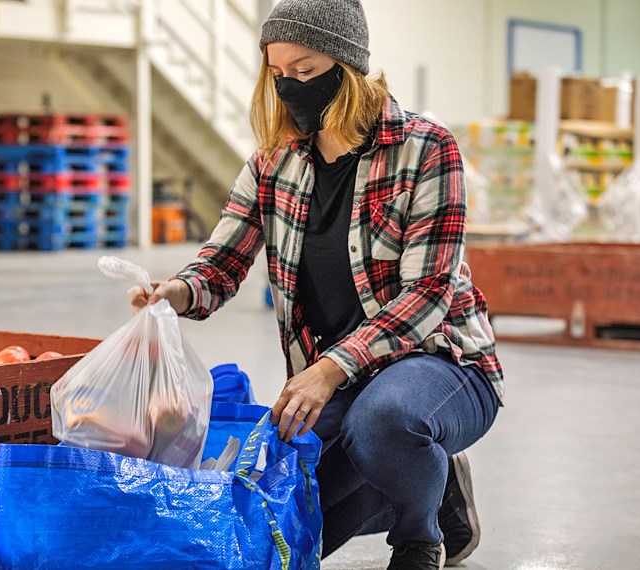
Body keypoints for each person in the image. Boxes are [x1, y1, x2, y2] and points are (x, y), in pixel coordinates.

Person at [130, 1, 504, 568]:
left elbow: (428, 295)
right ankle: (429, 476)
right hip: (337, 380)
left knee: (382, 423)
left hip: (440, 365)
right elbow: (222, 260)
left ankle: (419, 536)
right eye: (278, 75)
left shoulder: (425, 149)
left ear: (349, 68)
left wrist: (328, 370)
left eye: (305, 72)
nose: (290, 88)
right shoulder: (273, 162)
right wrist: (175, 293)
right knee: (279, 526)